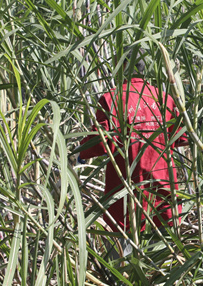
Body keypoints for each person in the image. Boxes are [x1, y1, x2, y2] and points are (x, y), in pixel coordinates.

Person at [78, 60, 188, 257]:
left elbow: (99, 141)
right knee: (163, 264)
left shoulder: (112, 99)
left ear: (120, 69)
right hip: (162, 196)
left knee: (122, 267)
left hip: (125, 199)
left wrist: (81, 154)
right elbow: (183, 136)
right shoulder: (163, 98)